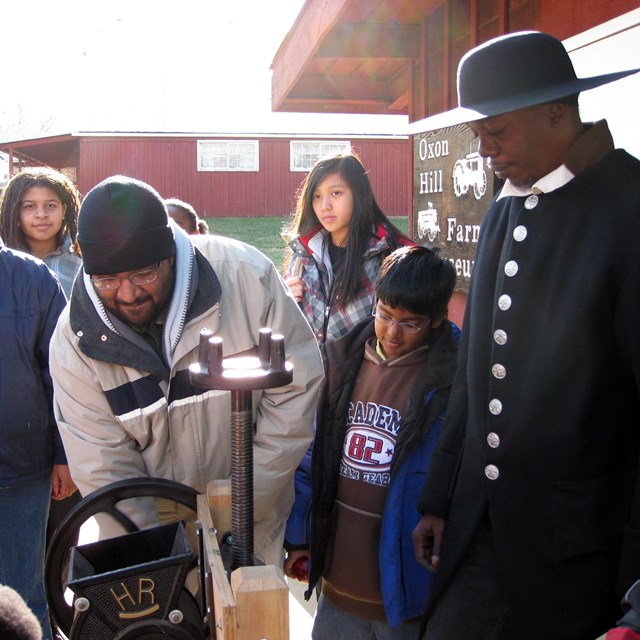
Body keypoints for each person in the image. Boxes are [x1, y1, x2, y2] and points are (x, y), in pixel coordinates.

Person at [410, 31, 640, 640]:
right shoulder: (504, 210)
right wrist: (442, 494)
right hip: (481, 527)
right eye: (478, 134)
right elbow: (475, 372)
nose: (483, 149)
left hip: (581, 549)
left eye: (497, 130)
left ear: (557, 112)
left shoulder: (629, 207)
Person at [49, 175, 324, 567]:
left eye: (144, 274)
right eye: (108, 280)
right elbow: (105, 466)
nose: (127, 294)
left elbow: (295, 393)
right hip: (153, 522)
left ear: (171, 255)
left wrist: (243, 506)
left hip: (253, 510)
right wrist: (154, 561)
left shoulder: (247, 278)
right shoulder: (76, 343)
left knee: (250, 619)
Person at [303, 246, 458, 639]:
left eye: (410, 324)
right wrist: (298, 537)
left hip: (404, 590)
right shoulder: (342, 362)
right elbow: (314, 454)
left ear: (438, 319)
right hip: (338, 580)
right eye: (385, 315)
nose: (391, 332)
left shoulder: (454, 381)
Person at [281, 152, 414, 574]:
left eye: (336, 193)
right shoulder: (305, 251)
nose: (325, 205)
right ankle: (302, 549)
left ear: (359, 194)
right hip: (313, 383)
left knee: (356, 479)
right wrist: (289, 301)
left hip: (368, 389)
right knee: (304, 466)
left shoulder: (389, 254)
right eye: (317, 195)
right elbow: (292, 326)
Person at [0, 238, 69, 640]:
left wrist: (64, 454)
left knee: (24, 595)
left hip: (22, 468)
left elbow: (60, 375)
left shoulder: (32, 277)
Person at [0, 167, 82, 297]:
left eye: (50, 205)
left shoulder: (82, 262)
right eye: (30, 206)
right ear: (14, 213)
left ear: (64, 211)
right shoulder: (4, 262)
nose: (41, 214)